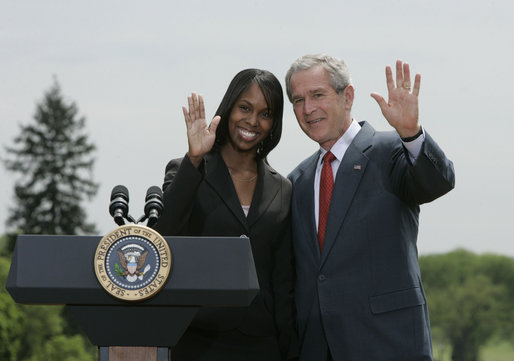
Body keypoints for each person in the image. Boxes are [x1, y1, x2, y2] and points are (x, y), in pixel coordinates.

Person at [285, 54, 455, 361]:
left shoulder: (390, 151)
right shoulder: (296, 181)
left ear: (347, 96)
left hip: (388, 344)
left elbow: (438, 182)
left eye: (317, 95)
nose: (308, 109)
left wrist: (412, 134)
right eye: (298, 100)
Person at [153, 69, 297, 361]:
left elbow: (283, 284)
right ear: (229, 108)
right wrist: (194, 160)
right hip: (197, 340)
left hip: (262, 344)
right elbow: (163, 238)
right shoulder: (187, 170)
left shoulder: (283, 188)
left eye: (265, 113)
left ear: (274, 123)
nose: (253, 121)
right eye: (245, 108)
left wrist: (291, 351)